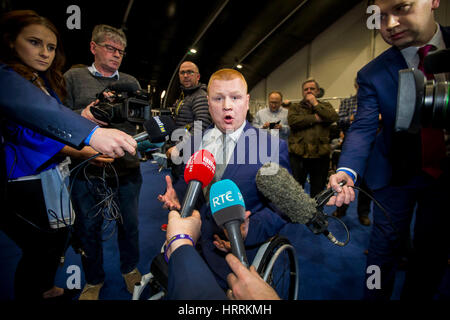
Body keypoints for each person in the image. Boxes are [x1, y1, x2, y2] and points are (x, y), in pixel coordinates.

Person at [328, 0, 449, 300]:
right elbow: (363, 127)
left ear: (433, 1)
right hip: (394, 177)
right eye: (380, 17)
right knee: (381, 254)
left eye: (402, 8)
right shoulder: (372, 74)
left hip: (444, 179)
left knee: (432, 251)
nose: (390, 24)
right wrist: (346, 169)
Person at [0, 10, 116, 300]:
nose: (44, 53)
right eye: (35, 42)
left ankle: (46, 288)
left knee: (55, 237)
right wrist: (88, 141)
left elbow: (54, 120)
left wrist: (82, 119)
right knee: (41, 245)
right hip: (20, 178)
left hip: (48, 173)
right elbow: (30, 128)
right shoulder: (7, 78)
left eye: (51, 47)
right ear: (11, 42)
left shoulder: (41, 81)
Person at [158, 68, 291, 289]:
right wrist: (176, 195)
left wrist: (248, 230)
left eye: (235, 98)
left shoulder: (272, 147)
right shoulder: (194, 141)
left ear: (247, 102)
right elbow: (188, 182)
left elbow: (282, 208)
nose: (227, 106)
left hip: (236, 258)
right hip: (193, 245)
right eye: (218, 98)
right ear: (208, 103)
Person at [64, 24, 142, 300]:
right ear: (93, 47)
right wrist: (83, 114)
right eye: (111, 48)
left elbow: (138, 121)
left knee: (129, 224)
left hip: (127, 169)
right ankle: (94, 279)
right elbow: (56, 118)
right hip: (87, 170)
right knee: (87, 227)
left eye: (121, 51)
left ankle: (130, 268)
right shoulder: (73, 78)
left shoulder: (131, 82)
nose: (117, 55)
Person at [165, 209, 280, 300]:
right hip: (201, 245)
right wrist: (183, 206)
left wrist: (181, 241)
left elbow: (282, 207)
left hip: (226, 269)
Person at [288, 79, 338, 197]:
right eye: (306, 89)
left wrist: (315, 104)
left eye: (312, 89)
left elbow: (333, 117)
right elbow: (293, 121)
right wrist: (315, 118)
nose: (309, 91)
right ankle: (295, 214)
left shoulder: (325, 105)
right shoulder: (295, 107)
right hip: (298, 155)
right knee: (296, 188)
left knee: (318, 189)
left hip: (320, 155)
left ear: (318, 91)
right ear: (302, 92)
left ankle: (316, 214)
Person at [332, 80, 372, 226]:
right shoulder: (348, 102)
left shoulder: (376, 102)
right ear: (356, 86)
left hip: (372, 148)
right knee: (345, 181)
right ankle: (340, 210)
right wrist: (352, 118)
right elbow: (339, 121)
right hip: (351, 147)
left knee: (367, 184)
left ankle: (363, 213)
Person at [166, 61, 212, 182]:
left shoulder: (200, 96)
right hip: (181, 156)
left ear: (198, 76)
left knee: (183, 193)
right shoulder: (185, 96)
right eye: (182, 73)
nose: (186, 75)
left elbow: (200, 126)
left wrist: (178, 148)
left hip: (191, 156)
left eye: (190, 72)